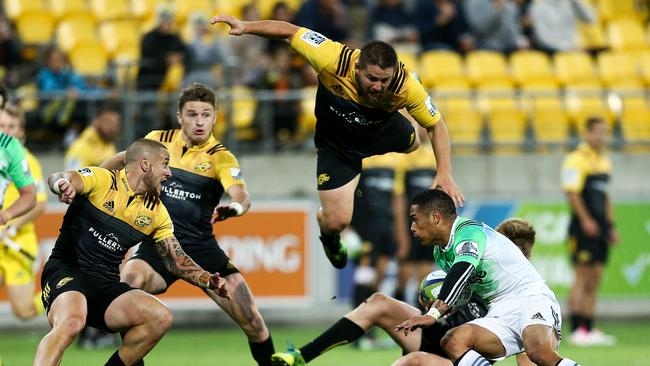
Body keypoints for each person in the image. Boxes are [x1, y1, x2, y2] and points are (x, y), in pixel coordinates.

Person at [211, 14, 465, 270]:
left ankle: (405, 109)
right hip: (337, 145)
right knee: (337, 222)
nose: (377, 86)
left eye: (384, 81)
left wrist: (445, 170)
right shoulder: (331, 57)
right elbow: (288, 31)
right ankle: (329, 237)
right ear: (357, 67)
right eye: (372, 79)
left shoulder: (404, 84)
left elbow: (436, 125)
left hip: (380, 130)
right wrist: (246, 27)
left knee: (414, 142)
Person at [102, 82, 275, 366]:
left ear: (215, 117)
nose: (199, 121)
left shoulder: (220, 156)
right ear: (180, 116)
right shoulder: (158, 141)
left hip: (201, 248)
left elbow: (241, 194)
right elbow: (123, 160)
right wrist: (91, 179)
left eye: (206, 115)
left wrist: (235, 207)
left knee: (253, 322)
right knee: (124, 288)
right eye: (192, 114)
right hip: (158, 244)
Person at [34, 138, 230, 366]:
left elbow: (176, 260)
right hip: (68, 271)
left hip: (105, 285)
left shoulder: (157, 212)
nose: (169, 173)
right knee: (72, 322)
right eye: (165, 164)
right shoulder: (103, 179)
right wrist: (62, 184)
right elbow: (62, 177)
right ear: (145, 164)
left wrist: (207, 279)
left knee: (160, 317)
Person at [270, 217, 539, 366]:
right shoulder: (472, 258)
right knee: (379, 302)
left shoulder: (520, 295)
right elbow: (438, 290)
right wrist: (430, 299)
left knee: (414, 362)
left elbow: (529, 355)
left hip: (462, 357)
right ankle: (300, 357)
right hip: (436, 334)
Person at [395, 189, 579, 366]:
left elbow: (463, 269)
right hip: (498, 309)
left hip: (530, 298)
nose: (412, 227)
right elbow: (466, 288)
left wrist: (433, 314)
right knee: (453, 340)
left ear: (435, 217)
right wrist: (447, 306)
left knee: (539, 354)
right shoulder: (440, 253)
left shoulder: (469, 233)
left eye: (415, 220)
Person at [561, 116, 617, 346]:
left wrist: (610, 226)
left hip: (601, 228)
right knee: (581, 277)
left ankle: (589, 327)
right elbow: (572, 193)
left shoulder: (604, 161)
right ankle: (575, 329)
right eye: (597, 132)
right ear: (586, 133)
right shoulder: (575, 160)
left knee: (595, 279)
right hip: (582, 228)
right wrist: (585, 220)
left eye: (604, 132)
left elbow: (605, 197)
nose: (601, 136)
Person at [0, 103, 47, 321]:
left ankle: (60, 291)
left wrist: (12, 225)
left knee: (24, 311)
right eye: (2, 125)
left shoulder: (27, 161)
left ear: (21, 132)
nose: (6, 131)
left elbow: (39, 203)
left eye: (12, 126)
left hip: (16, 243)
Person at [64, 103, 121, 170]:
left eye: (115, 125)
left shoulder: (109, 145)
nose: (112, 128)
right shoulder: (79, 148)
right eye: (108, 123)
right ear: (95, 121)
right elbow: (72, 178)